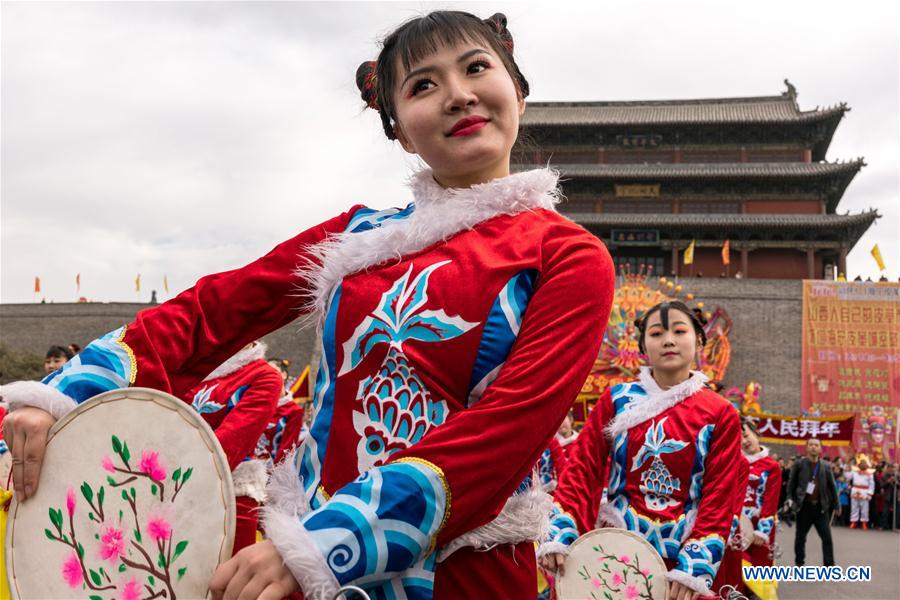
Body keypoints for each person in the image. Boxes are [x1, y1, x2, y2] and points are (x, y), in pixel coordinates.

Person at [0, 11, 616, 600]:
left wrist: (325, 543)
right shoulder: (360, 235)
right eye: (424, 85)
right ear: (397, 125)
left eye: (476, 67)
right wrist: (67, 398)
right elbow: (215, 310)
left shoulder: (567, 255)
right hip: (297, 561)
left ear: (518, 89)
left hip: (453, 570)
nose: (458, 94)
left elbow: (508, 429)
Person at [540, 300, 742, 600]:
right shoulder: (617, 400)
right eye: (657, 333)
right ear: (643, 345)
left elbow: (719, 496)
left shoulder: (720, 412)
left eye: (679, 331)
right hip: (615, 549)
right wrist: (561, 533)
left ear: (699, 340)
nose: (669, 340)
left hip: (681, 561)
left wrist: (693, 568)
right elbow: (582, 470)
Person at [184, 341, 283, 554]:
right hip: (168, 491)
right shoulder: (185, 370)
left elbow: (225, 449)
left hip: (227, 500)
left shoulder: (263, 376)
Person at [787, 438, 839, 566]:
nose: (813, 447)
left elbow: (832, 486)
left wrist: (837, 505)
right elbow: (791, 485)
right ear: (807, 447)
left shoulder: (826, 466)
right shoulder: (799, 464)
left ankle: (829, 565)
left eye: (816, 445)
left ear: (820, 448)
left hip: (820, 508)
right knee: (800, 538)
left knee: (827, 538)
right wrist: (789, 499)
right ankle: (799, 563)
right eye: (811, 445)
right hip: (803, 507)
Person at [740, 417, 782, 569]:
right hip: (739, 524)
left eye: (745, 436)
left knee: (758, 567)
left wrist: (762, 530)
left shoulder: (772, 466)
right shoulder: (736, 462)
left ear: (756, 433)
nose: (744, 442)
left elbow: (771, 500)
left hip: (759, 525)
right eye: (739, 439)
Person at [848, 454, 875, 529]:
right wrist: (847, 468)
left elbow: (872, 484)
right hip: (855, 490)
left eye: (864, 463)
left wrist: (870, 493)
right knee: (854, 507)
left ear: (866, 464)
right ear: (858, 464)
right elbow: (847, 477)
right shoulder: (854, 472)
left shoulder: (869, 473)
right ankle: (853, 522)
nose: (862, 464)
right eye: (861, 463)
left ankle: (864, 522)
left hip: (865, 491)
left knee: (864, 508)